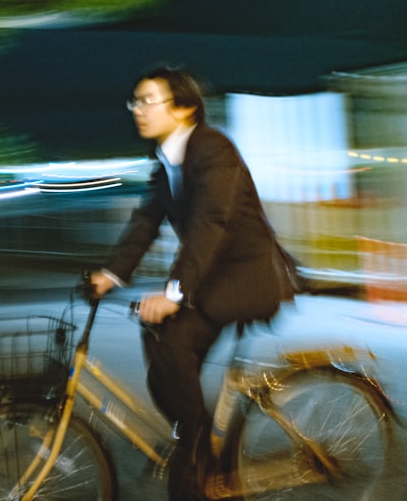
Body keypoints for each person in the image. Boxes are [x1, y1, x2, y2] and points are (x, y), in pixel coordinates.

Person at [88, 66, 297, 500]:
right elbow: (145, 221)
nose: (137, 110)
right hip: (213, 276)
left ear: (183, 108)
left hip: (246, 278)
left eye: (148, 100)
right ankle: (195, 436)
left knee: (176, 338)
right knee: (160, 341)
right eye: (135, 101)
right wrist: (109, 274)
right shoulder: (165, 162)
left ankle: (198, 447)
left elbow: (212, 224)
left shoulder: (213, 149)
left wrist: (173, 294)